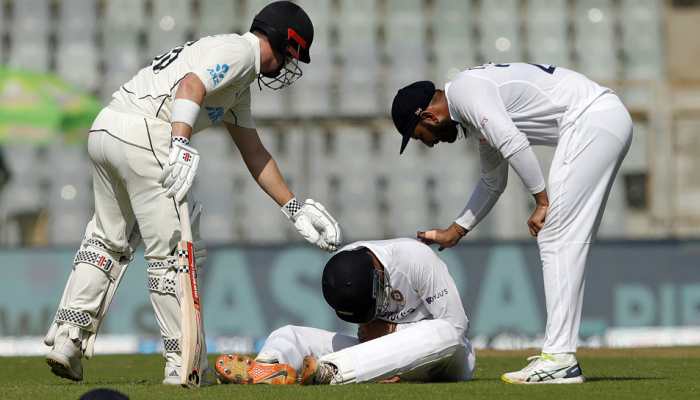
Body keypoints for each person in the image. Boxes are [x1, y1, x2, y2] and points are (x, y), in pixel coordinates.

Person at [43, 1, 341, 385]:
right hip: (145, 131)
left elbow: (255, 153)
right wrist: (181, 141)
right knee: (173, 254)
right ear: (285, 42)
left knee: (106, 241)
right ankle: (183, 364)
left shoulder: (238, 87)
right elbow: (191, 86)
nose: (286, 67)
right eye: (290, 56)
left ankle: (68, 339)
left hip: (107, 127)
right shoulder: (240, 53)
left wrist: (294, 208)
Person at [390, 62, 633, 384]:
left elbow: (514, 142)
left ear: (429, 116)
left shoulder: (465, 91)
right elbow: (493, 182)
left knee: (556, 235)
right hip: (600, 120)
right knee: (559, 236)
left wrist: (542, 200)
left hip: (592, 119)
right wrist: (456, 230)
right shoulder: (474, 113)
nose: (427, 143)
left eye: (419, 135)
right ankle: (560, 356)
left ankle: (559, 358)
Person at [214, 238, 476, 385]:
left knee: (445, 333)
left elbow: (457, 327)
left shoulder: (415, 259)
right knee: (290, 333)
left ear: (379, 279)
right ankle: (267, 366)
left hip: (445, 361)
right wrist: (380, 344)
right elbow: (367, 336)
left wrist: (392, 330)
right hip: (378, 354)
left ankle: (331, 370)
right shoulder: (345, 266)